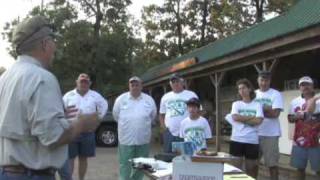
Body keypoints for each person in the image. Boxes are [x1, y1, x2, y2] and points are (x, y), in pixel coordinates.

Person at [0, 15, 99, 180]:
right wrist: (82, 124)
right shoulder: (42, 78)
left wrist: (58, 117)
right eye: (53, 41)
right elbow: (53, 137)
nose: (56, 46)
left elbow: (20, 120)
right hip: (32, 175)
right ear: (45, 44)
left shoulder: (5, 78)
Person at [63, 73, 108, 180]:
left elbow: (104, 105)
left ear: (90, 83)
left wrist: (98, 119)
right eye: (81, 81)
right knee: (70, 158)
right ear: (77, 82)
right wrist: (64, 118)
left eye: (86, 82)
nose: (83, 84)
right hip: (72, 131)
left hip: (88, 132)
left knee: (83, 158)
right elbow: (61, 109)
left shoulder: (95, 95)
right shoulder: (68, 95)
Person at [113, 76, 157, 180]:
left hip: (143, 139)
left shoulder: (149, 100)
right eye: (132, 85)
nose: (135, 87)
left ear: (141, 86)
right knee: (125, 164)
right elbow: (116, 116)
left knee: (141, 165)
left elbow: (152, 115)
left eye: (137, 85)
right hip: (125, 139)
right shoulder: (121, 99)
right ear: (129, 86)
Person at [229, 78, 263, 178]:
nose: (241, 91)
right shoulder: (236, 104)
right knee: (235, 170)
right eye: (239, 89)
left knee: (251, 169)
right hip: (236, 139)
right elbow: (235, 117)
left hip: (252, 140)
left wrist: (242, 118)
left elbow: (259, 121)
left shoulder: (257, 105)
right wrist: (252, 117)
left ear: (249, 89)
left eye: (244, 88)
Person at [288, 76, 320, 180]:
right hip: (299, 141)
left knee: (318, 169)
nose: (305, 87)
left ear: (312, 86)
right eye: (302, 85)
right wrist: (298, 116)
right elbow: (290, 118)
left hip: (317, 141)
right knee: (299, 168)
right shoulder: (294, 101)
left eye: (307, 84)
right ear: (299, 87)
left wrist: (306, 115)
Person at [255, 71, 283, 180]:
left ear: (270, 81)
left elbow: (275, 114)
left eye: (266, 80)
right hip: (254, 133)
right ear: (258, 81)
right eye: (261, 80)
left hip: (270, 134)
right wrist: (266, 108)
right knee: (252, 163)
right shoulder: (253, 94)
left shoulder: (275, 94)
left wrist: (258, 110)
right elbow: (249, 113)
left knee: (272, 165)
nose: (264, 82)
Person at [159, 74, 198, 153]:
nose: (175, 84)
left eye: (178, 81)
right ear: (170, 84)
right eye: (173, 82)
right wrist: (164, 127)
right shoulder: (165, 97)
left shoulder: (191, 95)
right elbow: (161, 114)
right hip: (170, 133)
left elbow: (199, 112)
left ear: (183, 82)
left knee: (187, 156)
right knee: (169, 157)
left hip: (187, 132)